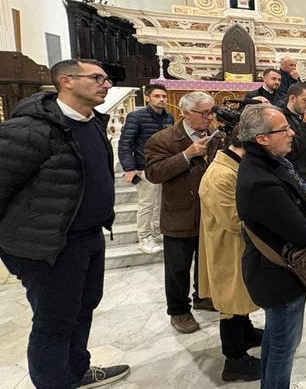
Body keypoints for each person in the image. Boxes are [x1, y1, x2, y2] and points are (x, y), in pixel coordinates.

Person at [0, 59, 130, 387]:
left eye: (107, 79)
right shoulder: (31, 129)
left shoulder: (93, 123)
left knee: (82, 310)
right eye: (97, 78)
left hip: (88, 238)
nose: (106, 84)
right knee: (53, 324)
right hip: (49, 246)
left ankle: (73, 372)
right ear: (67, 81)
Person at [236, 104, 306, 388]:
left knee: (276, 341)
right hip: (277, 277)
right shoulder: (260, 180)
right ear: (262, 138)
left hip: (276, 272)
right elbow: (302, 232)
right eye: (284, 129)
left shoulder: (271, 163)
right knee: (283, 348)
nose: (292, 132)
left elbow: (291, 206)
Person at [144, 91, 225, 334]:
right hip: (180, 214)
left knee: (207, 261)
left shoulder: (217, 137)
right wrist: (186, 155)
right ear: (186, 113)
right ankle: (178, 311)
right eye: (205, 113)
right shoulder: (163, 139)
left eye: (212, 112)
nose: (210, 117)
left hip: (210, 212)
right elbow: (154, 173)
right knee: (178, 268)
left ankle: (203, 296)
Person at [198, 130, 263, 382]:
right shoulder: (220, 175)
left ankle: (245, 333)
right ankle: (234, 358)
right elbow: (234, 220)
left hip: (236, 245)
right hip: (226, 246)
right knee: (230, 301)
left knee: (239, 297)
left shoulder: (234, 165)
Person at [118, 83, 174, 254]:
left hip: (163, 166)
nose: (162, 99)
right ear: (148, 98)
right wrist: (129, 168)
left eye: (164, 96)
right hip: (145, 167)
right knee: (147, 204)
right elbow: (125, 143)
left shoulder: (169, 117)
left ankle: (157, 231)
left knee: (161, 202)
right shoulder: (136, 116)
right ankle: (144, 237)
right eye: (157, 96)